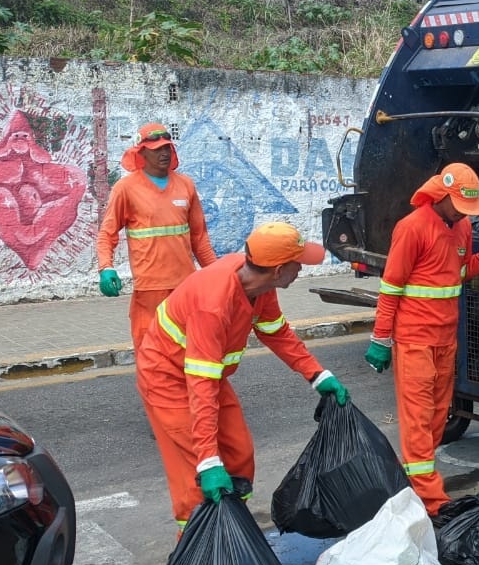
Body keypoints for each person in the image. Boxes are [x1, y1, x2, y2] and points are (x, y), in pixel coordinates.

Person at [136, 221, 348, 531]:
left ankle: (230, 530)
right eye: (297, 264)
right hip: (167, 378)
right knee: (198, 475)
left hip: (207, 373)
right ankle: (196, 550)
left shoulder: (260, 287)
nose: (300, 270)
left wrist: (317, 375)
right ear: (277, 270)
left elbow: (276, 332)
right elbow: (201, 385)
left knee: (239, 454)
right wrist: (208, 460)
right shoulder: (213, 303)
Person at [364, 163, 479, 516]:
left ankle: (406, 482)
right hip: (414, 340)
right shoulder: (411, 228)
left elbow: (462, 271)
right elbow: (391, 288)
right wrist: (381, 339)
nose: (462, 214)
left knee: (438, 417)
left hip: (445, 339)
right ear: (440, 195)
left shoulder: (463, 226)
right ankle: (433, 503)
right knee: (418, 419)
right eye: (458, 206)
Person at [96, 123, 218, 351]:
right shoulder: (126, 189)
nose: (164, 153)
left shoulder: (186, 185)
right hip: (150, 288)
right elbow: (107, 233)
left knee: (190, 351)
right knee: (151, 352)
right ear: (141, 152)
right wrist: (106, 268)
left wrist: (218, 275)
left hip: (186, 286)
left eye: (167, 148)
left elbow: (199, 239)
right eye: (156, 149)